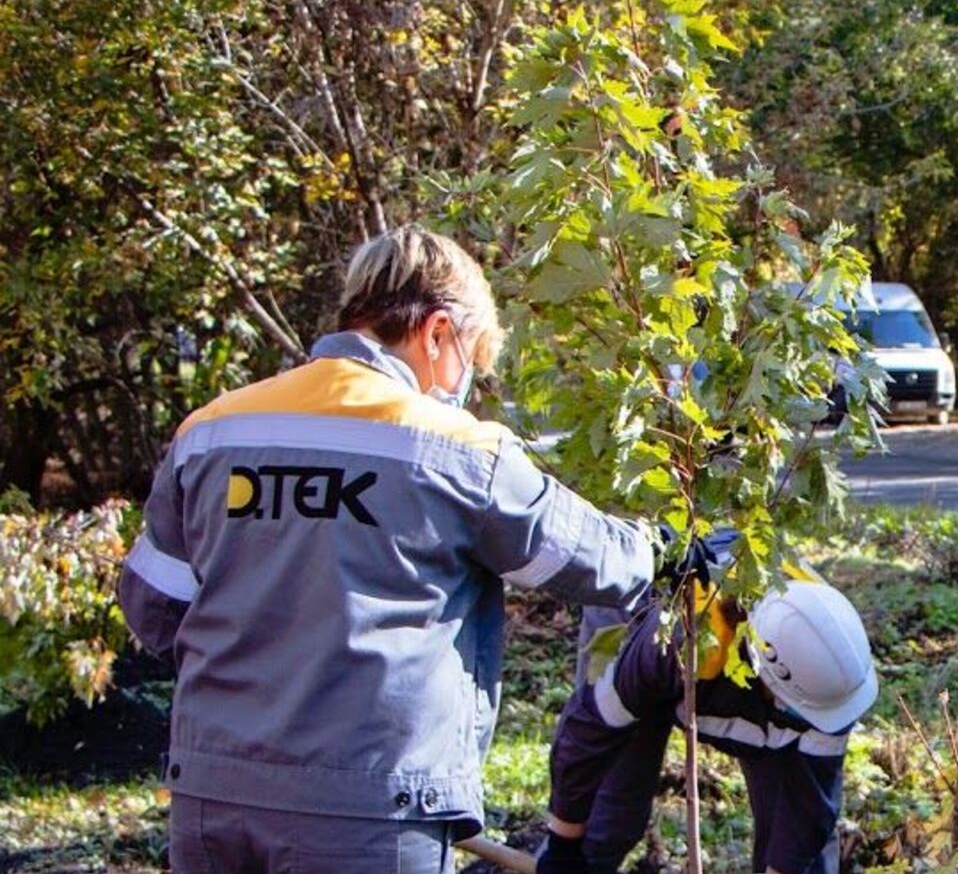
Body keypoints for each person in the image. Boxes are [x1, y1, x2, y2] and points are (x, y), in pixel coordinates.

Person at [116, 225, 697, 873]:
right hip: (371, 804)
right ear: (438, 332)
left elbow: (154, 611)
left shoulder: (212, 431)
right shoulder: (451, 448)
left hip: (213, 793)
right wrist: (663, 550)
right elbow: (587, 558)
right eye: (469, 364)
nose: (463, 388)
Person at [534, 569, 878, 874]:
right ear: (766, 676)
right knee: (606, 820)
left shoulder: (834, 677)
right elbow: (590, 731)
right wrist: (563, 847)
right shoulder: (681, 644)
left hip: (757, 689)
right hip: (641, 628)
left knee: (803, 857)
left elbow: (808, 806)